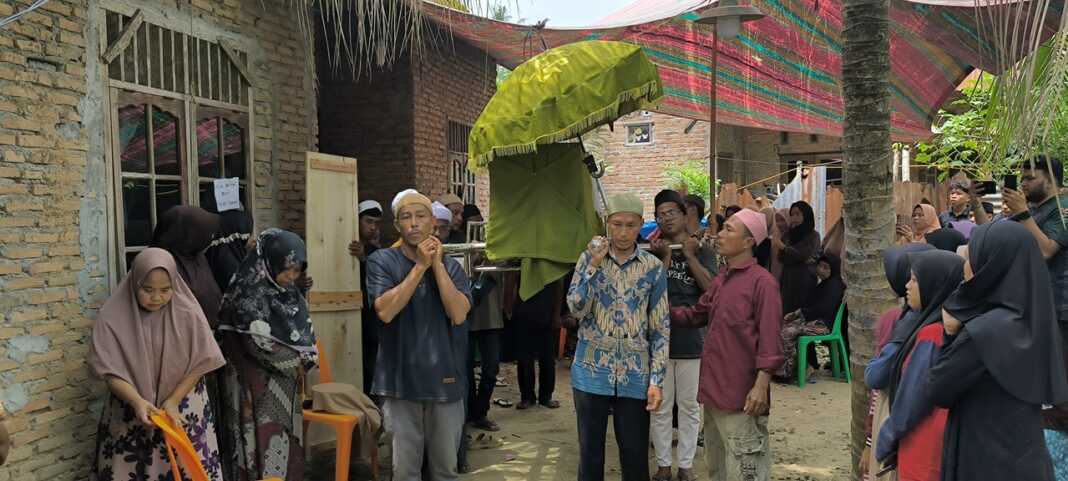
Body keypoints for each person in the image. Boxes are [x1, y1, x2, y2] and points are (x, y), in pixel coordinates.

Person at [928, 221, 1068, 481]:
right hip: (1027, 459)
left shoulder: (985, 331)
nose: (965, 268)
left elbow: (937, 388)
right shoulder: (1036, 320)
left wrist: (950, 333)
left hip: (984, 461)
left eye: (972, 258)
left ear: (991, 266)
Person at [90, 248, 226, 481]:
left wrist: (173, 401)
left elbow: (201, 362)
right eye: (148, 290)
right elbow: (110, 372)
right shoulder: (112, 317)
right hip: (132, 413)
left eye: (165, 290)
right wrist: (136, 401)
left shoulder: (188, 313)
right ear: (135, 283)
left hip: (182, 409)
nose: (156, 298)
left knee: (185, 469)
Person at [670, 209, 784, 481]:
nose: (719, 234)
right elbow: (696, 314)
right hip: (713, 396)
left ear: (748, 242)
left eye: (728, 229)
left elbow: (770, 341)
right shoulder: (722, 279)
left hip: (742, 399)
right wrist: (659, 309)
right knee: (718, 471)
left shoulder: (763, 283)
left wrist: (761, 386)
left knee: (746, 472)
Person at [366, 189, 472, 481]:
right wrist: (420, 267)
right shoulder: (382, 261)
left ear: (433, 225)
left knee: (445, 471)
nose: (413, 223)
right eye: (406, 217)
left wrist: (436, 265)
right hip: (399, 384)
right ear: (398, 226)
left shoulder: (451, 267)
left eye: (420, 216)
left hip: (445, 382)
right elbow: (385, 311)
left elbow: (458, 313)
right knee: (405, 473)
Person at [566, 193, 669, 481]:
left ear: (641, 226)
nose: (623, 232)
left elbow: (660, 327)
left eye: (631, 225)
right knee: (590, 455)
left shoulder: (652, 268)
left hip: (635, 374)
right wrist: (593, 266)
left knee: (635, 457)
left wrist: (656, 381)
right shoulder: (589, 259)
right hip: (591, 372)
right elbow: (575, 309)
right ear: (606, 224)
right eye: (617, 224)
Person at [217, 228, 317, 481]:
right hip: (252, 384)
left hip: (283, 387)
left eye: (297, 270)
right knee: (257, 444)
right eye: (287, 269)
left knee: (282, 443)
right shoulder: (247, 292)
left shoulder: (288, 290)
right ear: (270, 261)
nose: (291, 277)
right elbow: (256, 343)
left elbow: (300, 326)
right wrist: (298, 361)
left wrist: (305, 358)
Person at [873, 250, 963, 481]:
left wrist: (885, 440)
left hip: (922, 446)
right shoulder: (957, 329)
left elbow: (910, 402)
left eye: (915, 279)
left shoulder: (931, 334)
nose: (908, 285)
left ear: (935, 285)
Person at [648, 190, 717, 481]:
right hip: (659, 342)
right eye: (660, 215)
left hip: (692, 341)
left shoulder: (703, 250)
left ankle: (685, 465)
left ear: (684, 214)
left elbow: (712, 291)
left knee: (689, 407)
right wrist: (664, 259)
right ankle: (664, 464)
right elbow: (651, 294)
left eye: (671, 213)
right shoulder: (653, 251)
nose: (666, 219)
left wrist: (689, 255)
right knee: (660, 406)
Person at [860, 243, 934, 480]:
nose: (907, 285)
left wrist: (874, 442)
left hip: (895, 418)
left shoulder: (906, 322)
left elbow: (877, 376)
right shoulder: (936, 318)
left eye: (914, 279)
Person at [151, 205, 224, 327]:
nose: (209, 238)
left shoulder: (196, 256)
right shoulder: (159, 264)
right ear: (186, 233)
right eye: (201, 231)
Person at [776, 253, 845, 381]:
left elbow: (823, 309)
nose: (821, 270)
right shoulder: (824, 284)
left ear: (833, 269)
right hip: (816, 322)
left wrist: (798, 313)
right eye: (820, 266)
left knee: (787, 332)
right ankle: (801, 366)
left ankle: (787, 372)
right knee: (784, 328)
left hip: (823, 326)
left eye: (826, 268)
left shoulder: (834, 286)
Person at [349, 199, 384, 395]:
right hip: (347, 315)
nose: (372, 227)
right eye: (368, 221)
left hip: (369, 318)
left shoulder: (376, 253)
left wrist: (364, 259)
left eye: (376, 223)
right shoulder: (346, 245)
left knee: (370, 362)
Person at [511, 279, 562, 410]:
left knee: (548, 359)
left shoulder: (551, 259)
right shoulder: (523, 259)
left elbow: (559, 285)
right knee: (524, 359)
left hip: (547, 313)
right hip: (524, 311)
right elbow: (513, 279)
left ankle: (546, 397)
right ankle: (527, 397)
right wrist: (509, 304)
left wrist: (557, 314)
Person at [774, 201, 821, 315]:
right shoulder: (788, 234)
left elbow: (804, 254)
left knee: (800, 313)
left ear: (806, 215)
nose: (794, 218)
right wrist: (792, 254)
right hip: (788, 278)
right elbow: (781, 257)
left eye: (798, 214)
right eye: (792, 214)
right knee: (785, 312)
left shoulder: (813, 235)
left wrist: (785, 248)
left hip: (804, 279)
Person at [206, 208, 254, 291]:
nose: (252, 238)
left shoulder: (216, 253)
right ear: (240, 232)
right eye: (249, 232)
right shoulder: (231, 269)